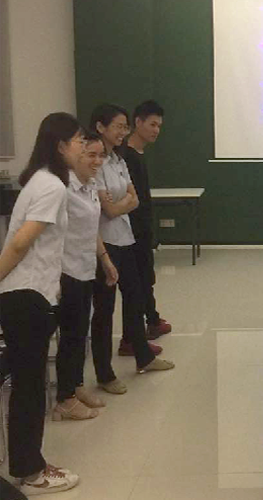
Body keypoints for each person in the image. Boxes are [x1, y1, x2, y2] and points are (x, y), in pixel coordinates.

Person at [0, 112, 83, 495]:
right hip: (27, 297)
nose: (83, 147)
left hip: (27, 295)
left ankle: (25, 464)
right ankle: (31, 471)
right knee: (31, 388)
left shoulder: (41, 180)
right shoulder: (51, 186)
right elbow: (21, 243)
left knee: (27, 385)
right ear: (60, 145)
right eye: (79, 141)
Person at [90, 103, 174, 395]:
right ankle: (105, 374)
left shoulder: (119, 158)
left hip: (125, 239)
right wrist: (120, 205)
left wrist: (120, 205)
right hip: (104, 244)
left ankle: (143, 356)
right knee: (104, 310)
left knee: (136, 297)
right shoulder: (96, 161)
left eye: (125, 127)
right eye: (118, 126)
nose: (122, 132)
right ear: (100, 127)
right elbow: (109, 209)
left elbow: (132, 199)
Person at [53, 132, 119, 420]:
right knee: (70, 334)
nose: (97, 161)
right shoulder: (63, 189)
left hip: (85, 267)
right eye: (90, 154)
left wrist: (105, 259)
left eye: (100, 155)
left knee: (81, 332)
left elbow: (92, 229)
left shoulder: (89, 185)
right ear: (75, 155)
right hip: (65, 271)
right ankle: (64, 399)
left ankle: (76, 386)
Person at [120, 100, 171, 343]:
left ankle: (152, 319)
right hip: (131, 230)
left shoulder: (139, 154)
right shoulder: (125, 156)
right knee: (137, 282)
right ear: (137, 122)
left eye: (159, 126)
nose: (156, 130)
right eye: (152, 124)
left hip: (142, 228)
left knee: (146, 278)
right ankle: (137, 334)